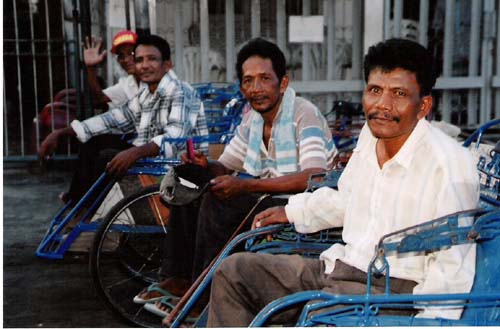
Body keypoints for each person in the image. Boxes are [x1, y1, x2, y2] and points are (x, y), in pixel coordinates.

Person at [206, 38, 480, 327]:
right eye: (375, 90)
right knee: (235, 272)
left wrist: (430, 322)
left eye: (399, 93)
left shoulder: (451, 165)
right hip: (339, 268)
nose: (382, 105)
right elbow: (346, 199)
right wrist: (292, 211)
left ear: (423, 105)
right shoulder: (370, 136)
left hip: (391, 292)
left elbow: (453, 267)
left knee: (315, 316)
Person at [135, 38, 336, 315]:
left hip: (299, 203)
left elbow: (315, 175)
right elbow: (226, 166)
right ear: (241, 87)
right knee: (192, 181)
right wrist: (204, 165)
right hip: (266, 194)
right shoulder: (252, 119)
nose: (256, 89)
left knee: (219, 203)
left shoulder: (304, 114)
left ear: (283, 82)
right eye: (249, 81)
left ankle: (204, 294)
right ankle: (177, 277)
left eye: (265, 79)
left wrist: (246, 185)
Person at [39, 34, 208, 206]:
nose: (144, 65)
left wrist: (134, 152)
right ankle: (79, 205)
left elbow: (175, 138)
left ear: (167, 64)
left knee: (108, 157)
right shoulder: (146, 93)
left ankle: (91, 211)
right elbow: (113, 119)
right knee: (95, 143)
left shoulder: (181, 91)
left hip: (178, 167)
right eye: (140, 60)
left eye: (152, 59)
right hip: (153, 161)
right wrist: (60, 133)